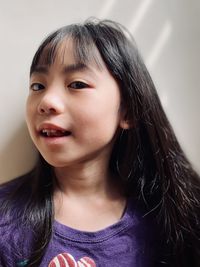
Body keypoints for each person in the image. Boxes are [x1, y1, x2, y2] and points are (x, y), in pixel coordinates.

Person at [0, 18, 199, 267]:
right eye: (38, 86)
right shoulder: (4, 220)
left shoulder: (171, 219)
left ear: (127, 111)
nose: (46, 101)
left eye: (77, 84)